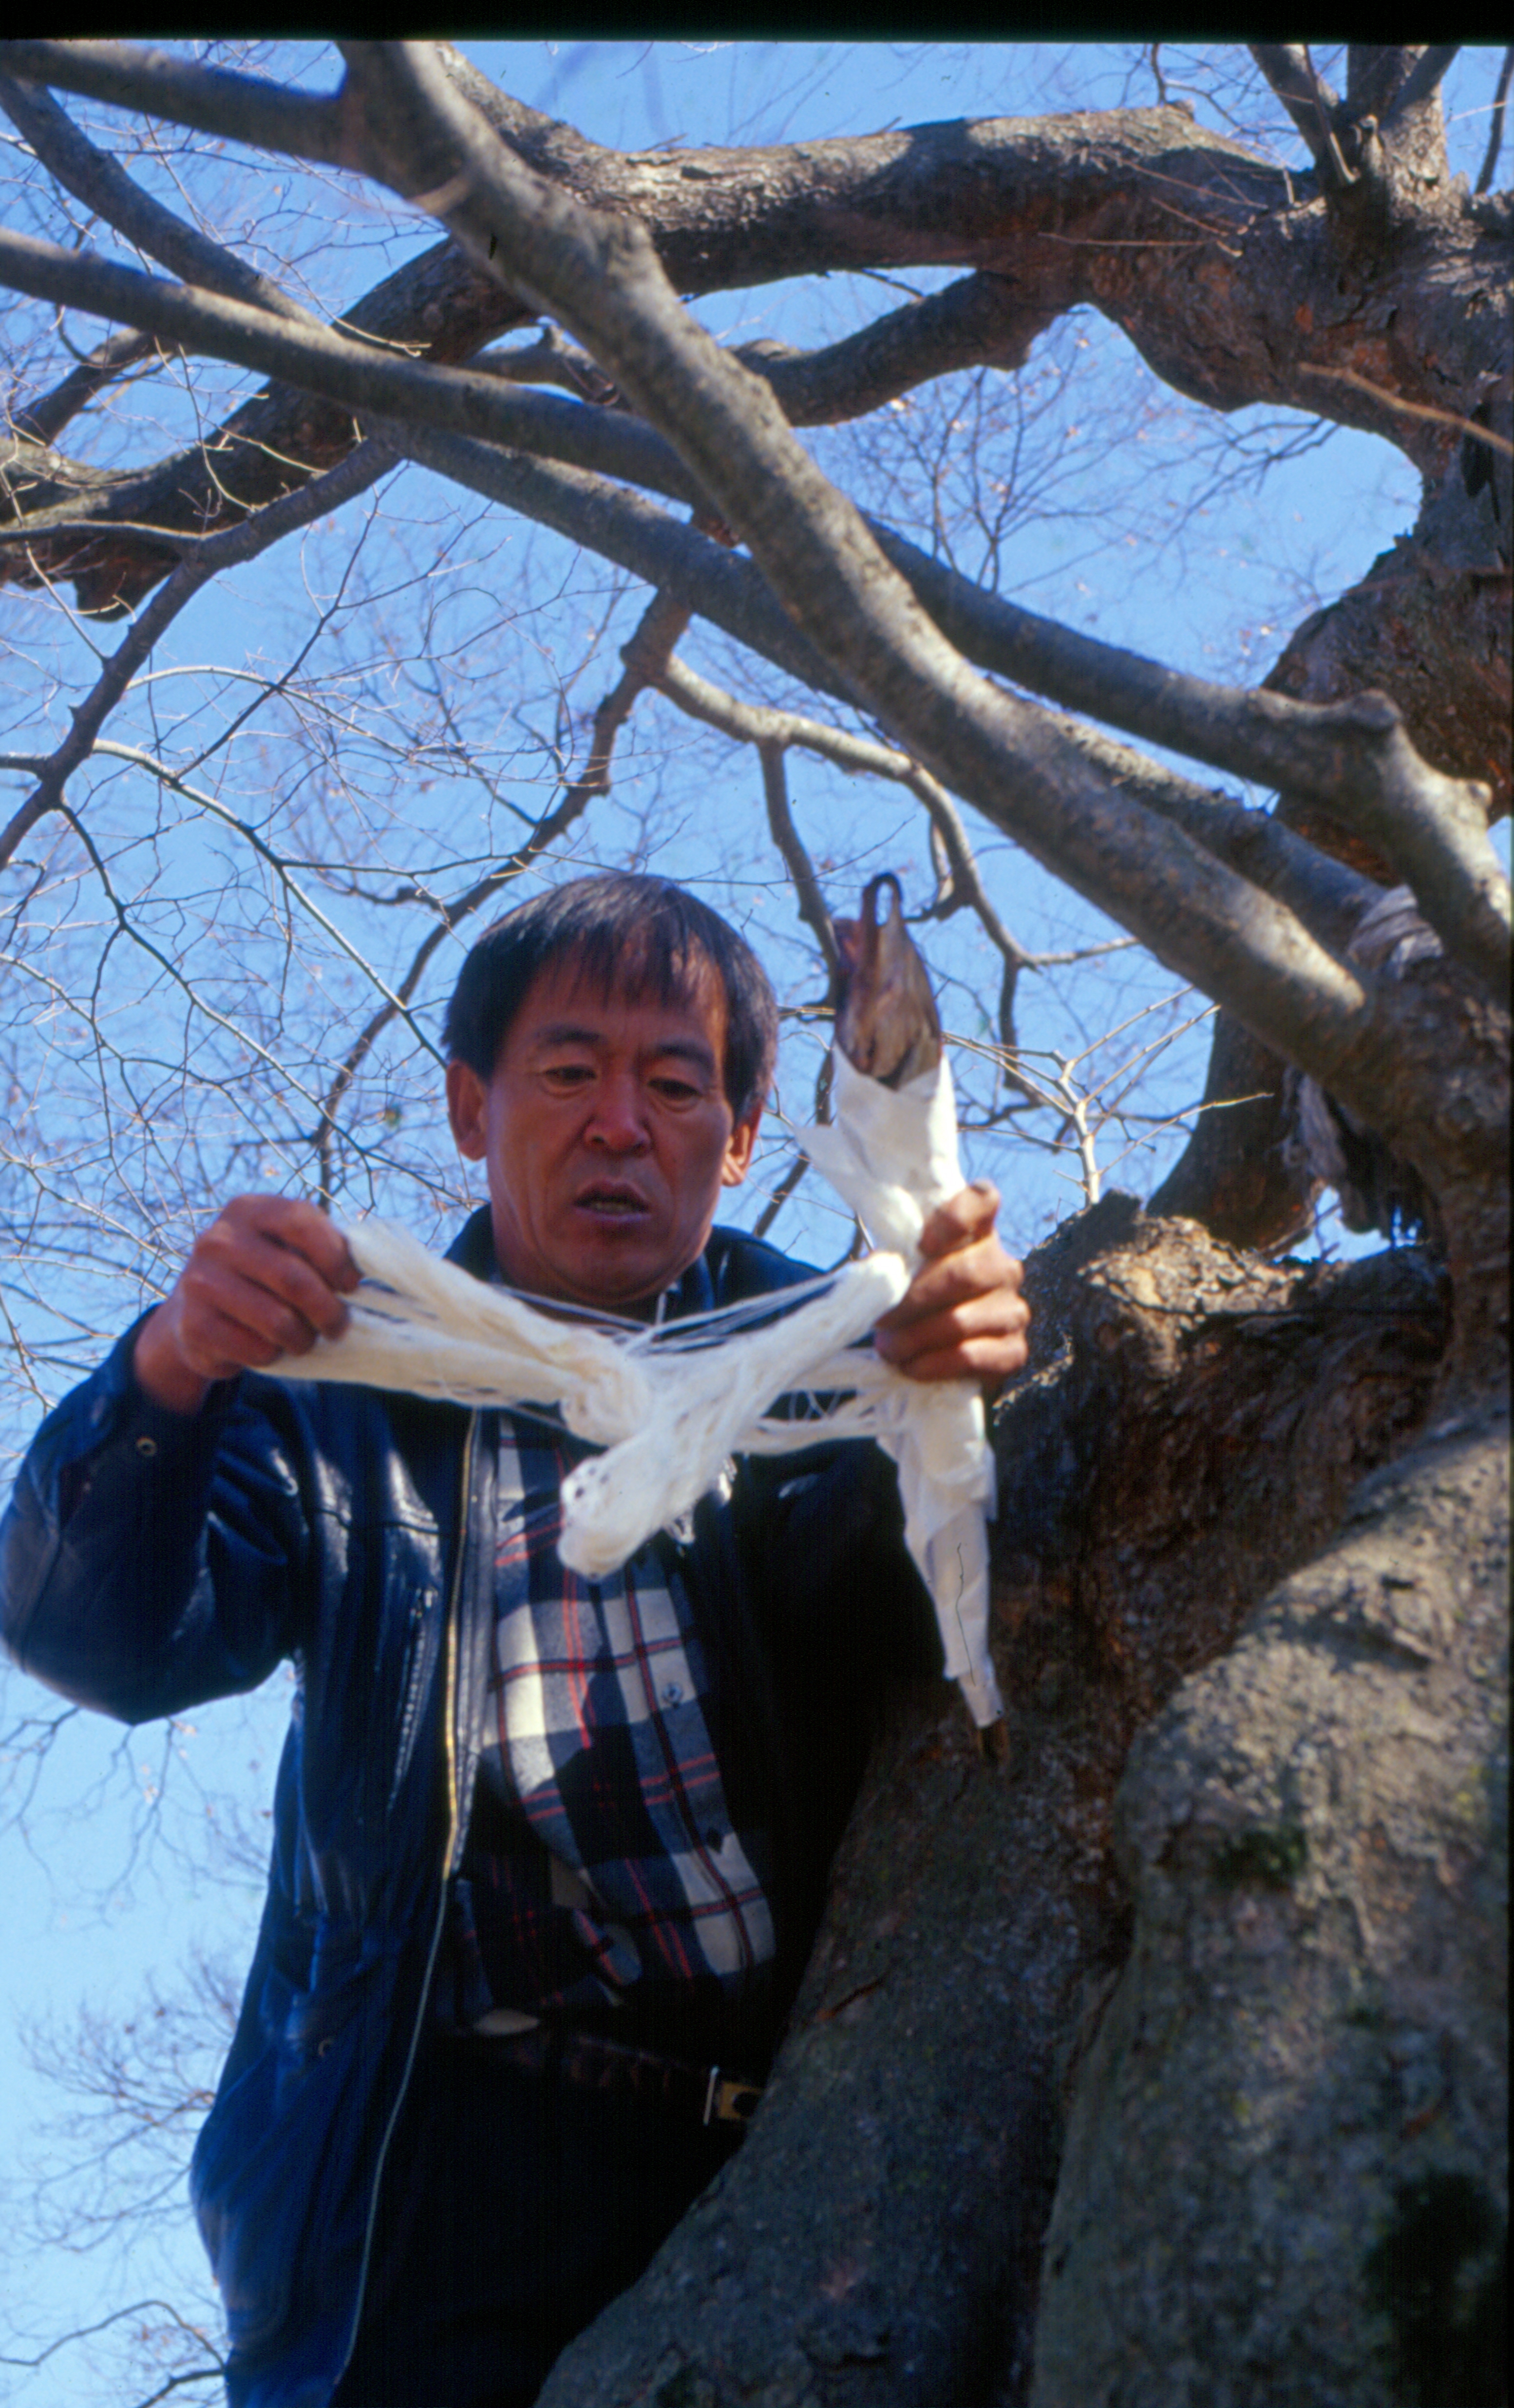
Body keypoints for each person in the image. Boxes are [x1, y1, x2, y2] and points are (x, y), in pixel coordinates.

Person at [0, 874, 1028, 2408]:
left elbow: (895, 1613)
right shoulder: (344, 1377)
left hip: (785, 2159)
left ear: (740, 1138)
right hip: (426, 2187)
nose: (619, 1125)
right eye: (567, 1071)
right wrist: (168, 1373)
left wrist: (954, 1399)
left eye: (674, 1085)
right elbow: (103, 1642)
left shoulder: (826, 1358)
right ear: (469, 1108)